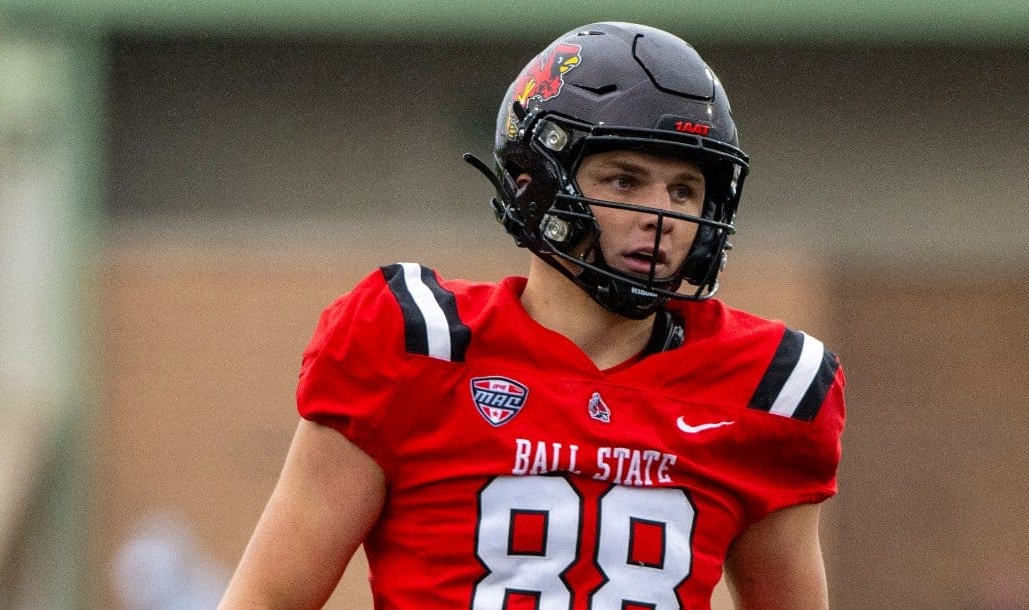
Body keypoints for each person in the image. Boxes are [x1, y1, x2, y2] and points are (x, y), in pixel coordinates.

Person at [220, 21, 845, 609]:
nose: (661, 217)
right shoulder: (418, 345)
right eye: (625, 181)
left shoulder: (766, 388)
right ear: (537, 182)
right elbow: (269, 599)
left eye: (684, 190)